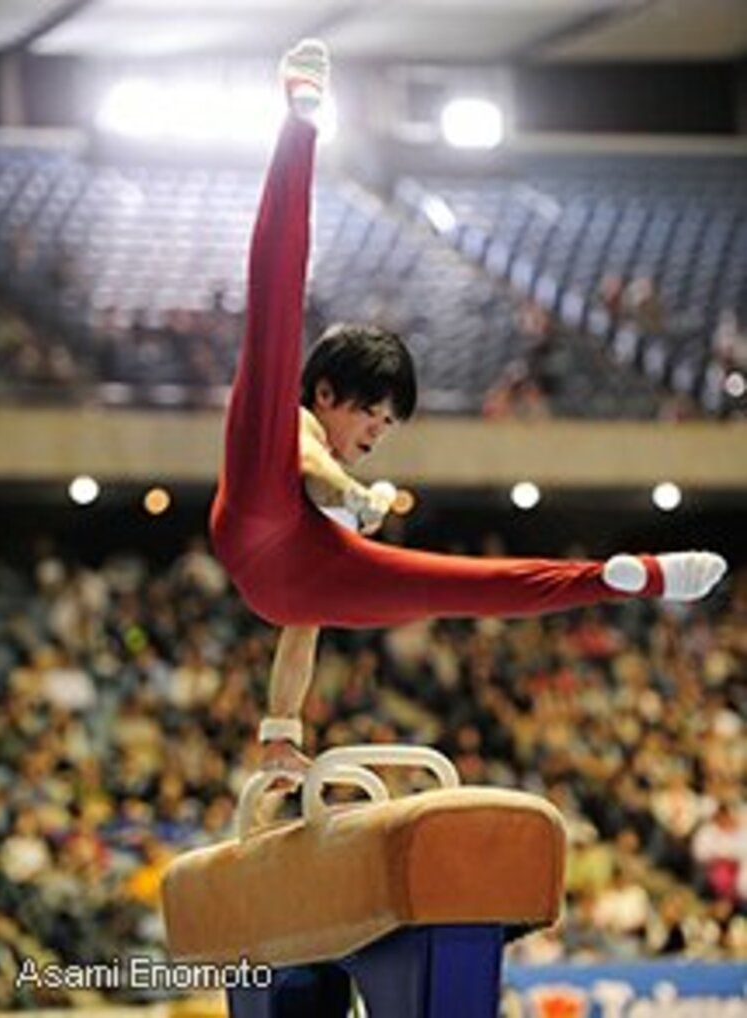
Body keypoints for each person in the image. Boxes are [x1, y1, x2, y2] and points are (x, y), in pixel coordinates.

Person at [209, 40, 727, 777]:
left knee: (462, 585)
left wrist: (280, 733)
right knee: (272, 308)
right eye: (370, 417)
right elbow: (309, 459)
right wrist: (352, 499)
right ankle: (299, 122)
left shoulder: (328, 532)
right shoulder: (296, 421)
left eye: (387, 428)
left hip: (298, 573)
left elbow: (299, 632)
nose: (374, 435)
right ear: (326, 393)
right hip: (259, 507)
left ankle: (627, 574)